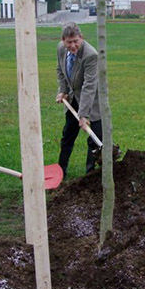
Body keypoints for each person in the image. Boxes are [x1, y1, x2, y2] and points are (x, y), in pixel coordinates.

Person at [56, 22, 102, 178]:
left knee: (95, 138)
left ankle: (90, 174)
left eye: (76, 41)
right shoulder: (61, 49)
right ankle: (61, 170)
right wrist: (63, 91)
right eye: (69, 42)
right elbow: (60, 70)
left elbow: (89, 86)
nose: (73, 45)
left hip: (92, 100)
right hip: (73, 97)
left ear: (81, 37)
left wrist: (83, 115)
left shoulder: (90, 55)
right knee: (68, 135)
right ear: (63, 40)